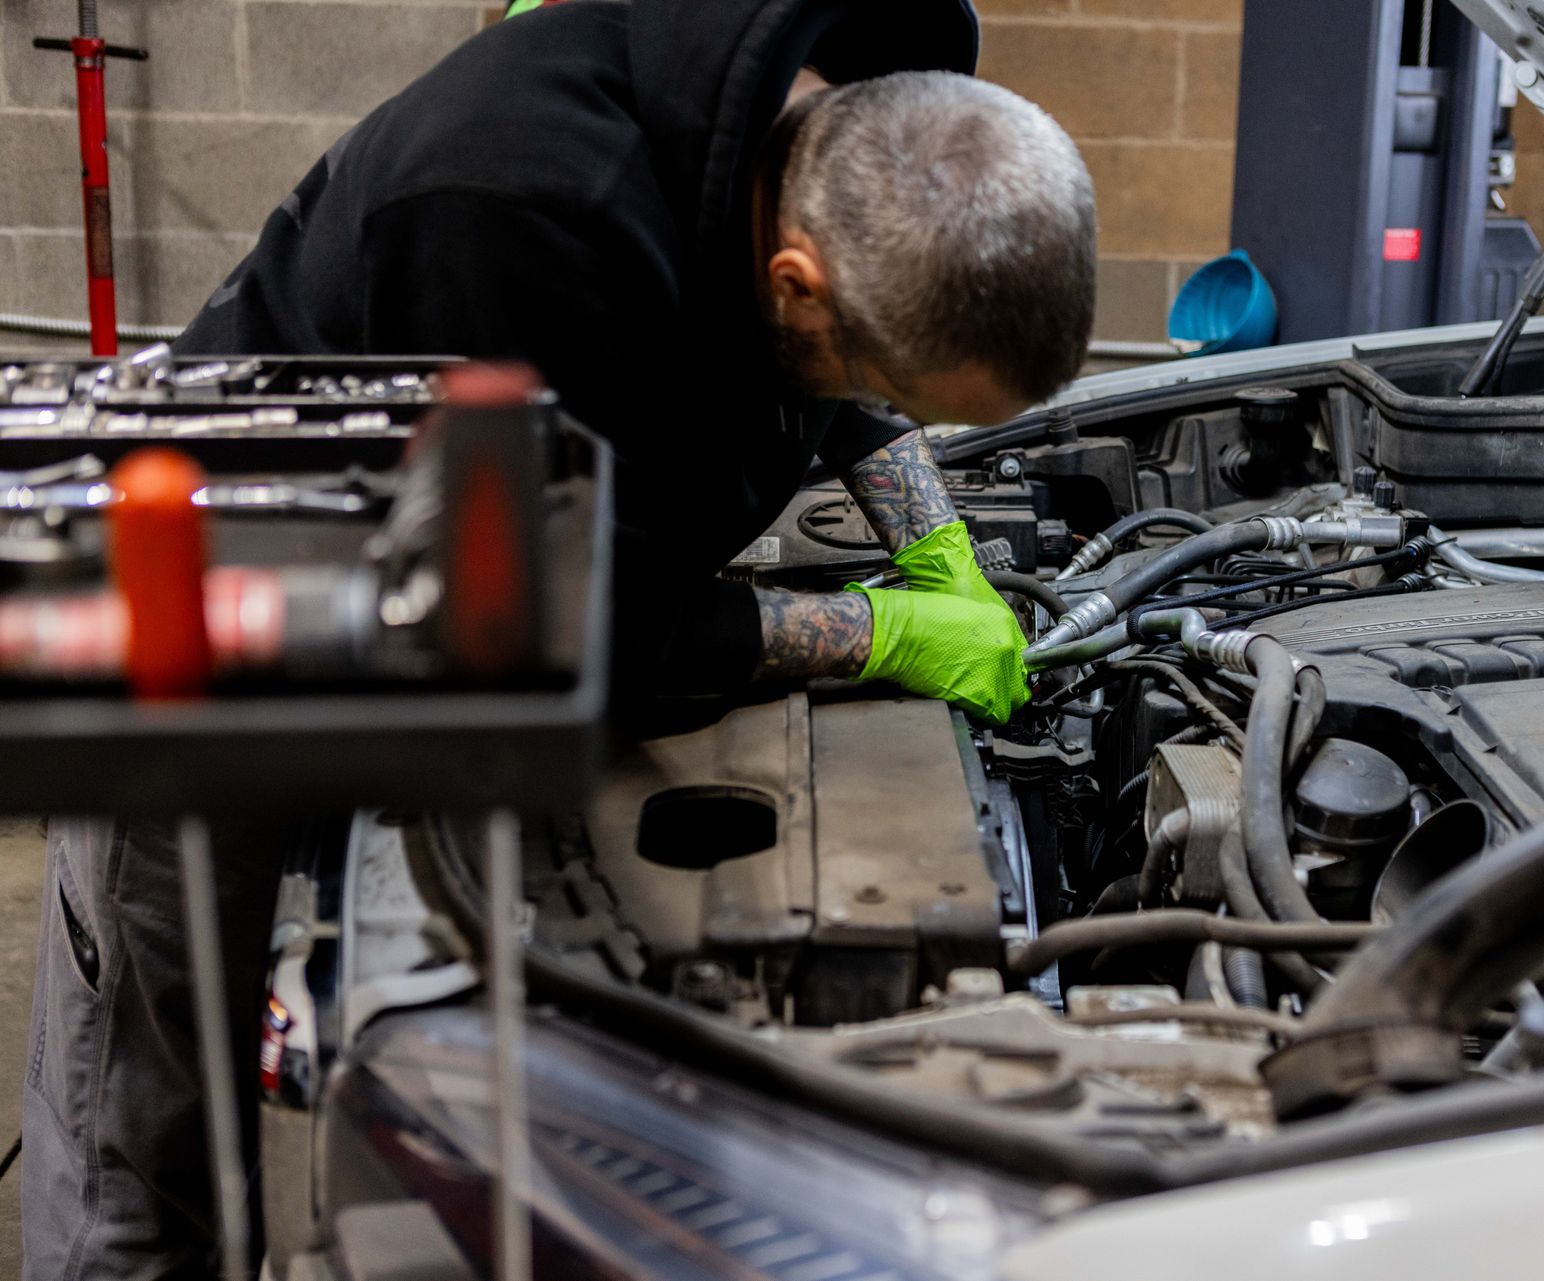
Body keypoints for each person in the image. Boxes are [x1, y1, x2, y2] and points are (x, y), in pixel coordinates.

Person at [22, 1, 1097, 1276]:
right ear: (791, 280)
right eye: (879, 387)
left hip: (435, 610)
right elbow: (590, 626)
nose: (877, 414)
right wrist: (881, 632)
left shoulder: (847, 110)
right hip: (222, 620)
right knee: (147, 1143)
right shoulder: (527, 214)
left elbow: (858, 371)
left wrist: (936, 540)